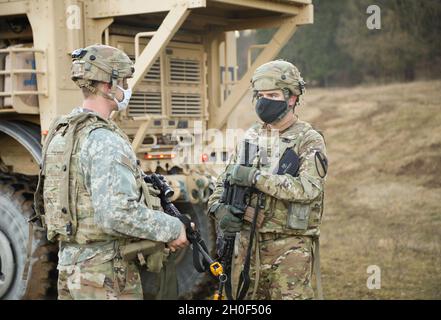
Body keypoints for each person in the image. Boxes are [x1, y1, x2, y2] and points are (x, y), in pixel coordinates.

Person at [33, 44, 188, 300]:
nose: (126, 89)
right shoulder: (104, 139)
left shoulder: (62, 133)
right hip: (104, 274)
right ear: (107, 85)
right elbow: (116, 214)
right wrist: (172, 227)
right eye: (123, 82)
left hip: (70, 265)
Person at [207, 60, 328, 300]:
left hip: (289, 248)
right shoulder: (251, 136)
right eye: (260, 95)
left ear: (292, 97)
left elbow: (308, 189)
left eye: (272, 95)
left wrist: (255, 177)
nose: (264, 102)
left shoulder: (308, 139)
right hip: (247, 248)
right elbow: (224, 180)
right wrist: (218, 209)